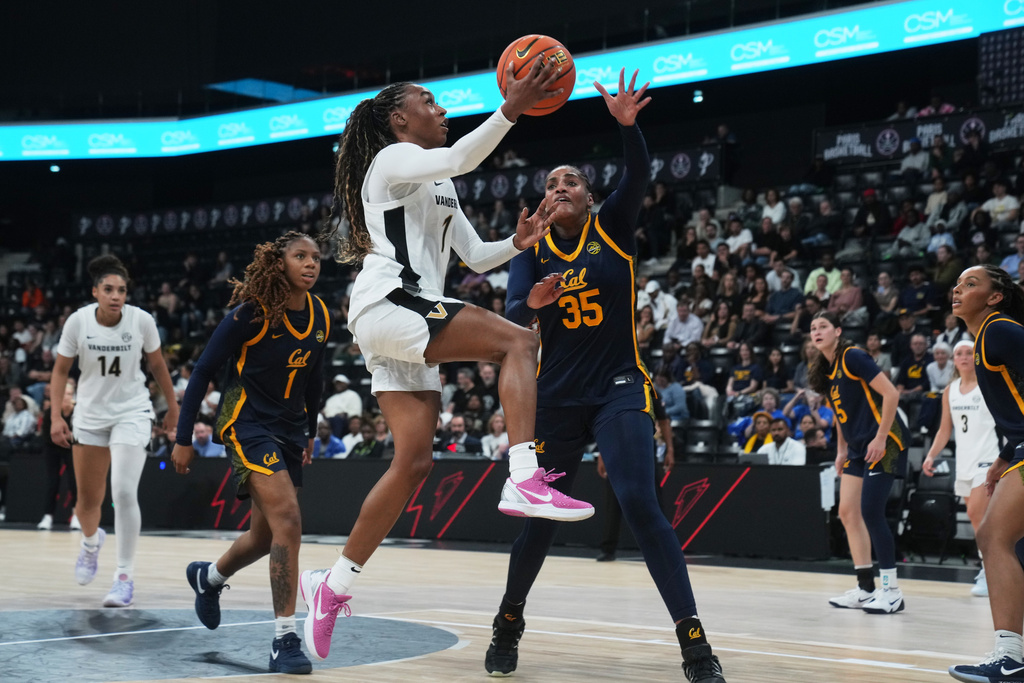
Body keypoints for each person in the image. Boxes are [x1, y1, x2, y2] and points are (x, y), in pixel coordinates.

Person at [300, 59, 594, 663]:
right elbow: (463, 155)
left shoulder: (437, 181)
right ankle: (524, 474)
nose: (440, 108)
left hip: (399, 319)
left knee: (412, 465)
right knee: (518, 341)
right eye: (428, 102)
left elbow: (476, 258)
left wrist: (520, 242)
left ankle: (331, 587)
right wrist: (511, 106)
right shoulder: (391, 161)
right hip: (392, 303)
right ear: (397, 119)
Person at [480, 69, 726, 682]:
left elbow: (638, 175)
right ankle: (509, 620)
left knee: (641, 501)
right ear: (542, 201)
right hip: (557, 396)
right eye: (551, 183)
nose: (560, 187)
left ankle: (695, 644)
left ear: (588, 198)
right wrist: (531, 303)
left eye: (571, 182)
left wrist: (628, 127)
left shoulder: (612, 225)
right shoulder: (530, 246)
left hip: (619, 384)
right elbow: (511, 316)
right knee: (540, 523)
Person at [171, 231, 329, 675]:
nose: (311, 264)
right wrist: (184, 438)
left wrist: (311, 431)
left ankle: (209, 578)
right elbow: (203, 370)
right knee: (290, 522)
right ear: (279, 263)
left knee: (266, 536)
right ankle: (284, 640)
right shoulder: (251, 313)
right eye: (300, 256)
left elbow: (314, 379)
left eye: (316, 257)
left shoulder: (320, 315)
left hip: (288, 431)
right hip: (245, 424)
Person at [49, 255, 179, 608]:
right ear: (95, 292)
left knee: (122, 491)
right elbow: (61, 371)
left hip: (132, 411)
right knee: (87, 503)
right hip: (90, 415)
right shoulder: (78, 322)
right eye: (108, 289)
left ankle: (124, 576)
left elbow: (157, 366)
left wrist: (173, 408)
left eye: (121, 290)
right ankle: (91, 543)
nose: (116, 295)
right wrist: (56, 417)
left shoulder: (141, 321)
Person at [948, 265, 1024, 681]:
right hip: (1019, 452)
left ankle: (1010, 657)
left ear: (995, 296)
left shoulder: (998, 329)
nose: (958, 290)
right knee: (1016, 545)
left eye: (970, 284)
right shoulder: (984, 338)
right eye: (957, 284)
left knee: (993, 536)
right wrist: (1006, 454)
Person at [809, 310, 907, 614]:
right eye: (812, 328)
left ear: (838, 331)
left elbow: (891, 394)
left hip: (885, 441)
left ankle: (892, 591)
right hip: (857, 447)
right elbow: (840, 415)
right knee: (848, 512)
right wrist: (840, 450)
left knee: (871, 511)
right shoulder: (828, 370)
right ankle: (866, 588)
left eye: (823, 326)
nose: (816, 331)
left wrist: (880, 438)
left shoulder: (853, 356)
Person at [922, 339, 995, 598]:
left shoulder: (989, 385)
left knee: (977, 512)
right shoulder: (950, 390)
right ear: (953, 360)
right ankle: (989, 566)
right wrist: (931, 455)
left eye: (969, 353)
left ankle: (989, 571)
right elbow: (944, 429)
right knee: (978, 519)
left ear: (977, 357)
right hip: (964, 462)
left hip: (989, 458)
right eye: (959, 353)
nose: (964, 357)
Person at [37, 382, 78, 531]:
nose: (66, 397)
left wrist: (69, 437)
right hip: (53, 448)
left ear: (72, 395)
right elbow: (47, 436)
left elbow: (83, 435)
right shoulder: (51, 412)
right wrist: (68, 436)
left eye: (68, 394)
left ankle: (76, 516)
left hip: (73, 449)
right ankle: (48, 516)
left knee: (74, 482)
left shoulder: (79, 411)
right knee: (52, 481)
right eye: (63, 394)